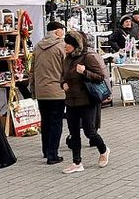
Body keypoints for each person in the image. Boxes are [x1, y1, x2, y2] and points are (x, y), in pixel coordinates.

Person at [61, 31, 110, 173]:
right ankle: (77, 162)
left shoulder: (88, 57)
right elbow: (63, 76)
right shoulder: (67, 58)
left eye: (68, 43)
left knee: (90, 132)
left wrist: (84, 72)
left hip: (87, 100)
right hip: (71, 101)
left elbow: (101, 77)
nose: (65, 46)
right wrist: (62, 83)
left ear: (75, 45)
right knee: (73, 132)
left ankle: (104, 150)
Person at [29, 21, 68, 165]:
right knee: (56, 123)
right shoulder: (61, 47)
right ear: (57, 31)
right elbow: (66, 68)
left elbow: (32, 70)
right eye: (62, 30)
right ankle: (53, 154)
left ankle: (46, 150)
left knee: (45, 121)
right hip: (56, 90)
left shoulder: (38, 47)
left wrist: (33, 90)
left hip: (41, 90)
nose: (63, 33)